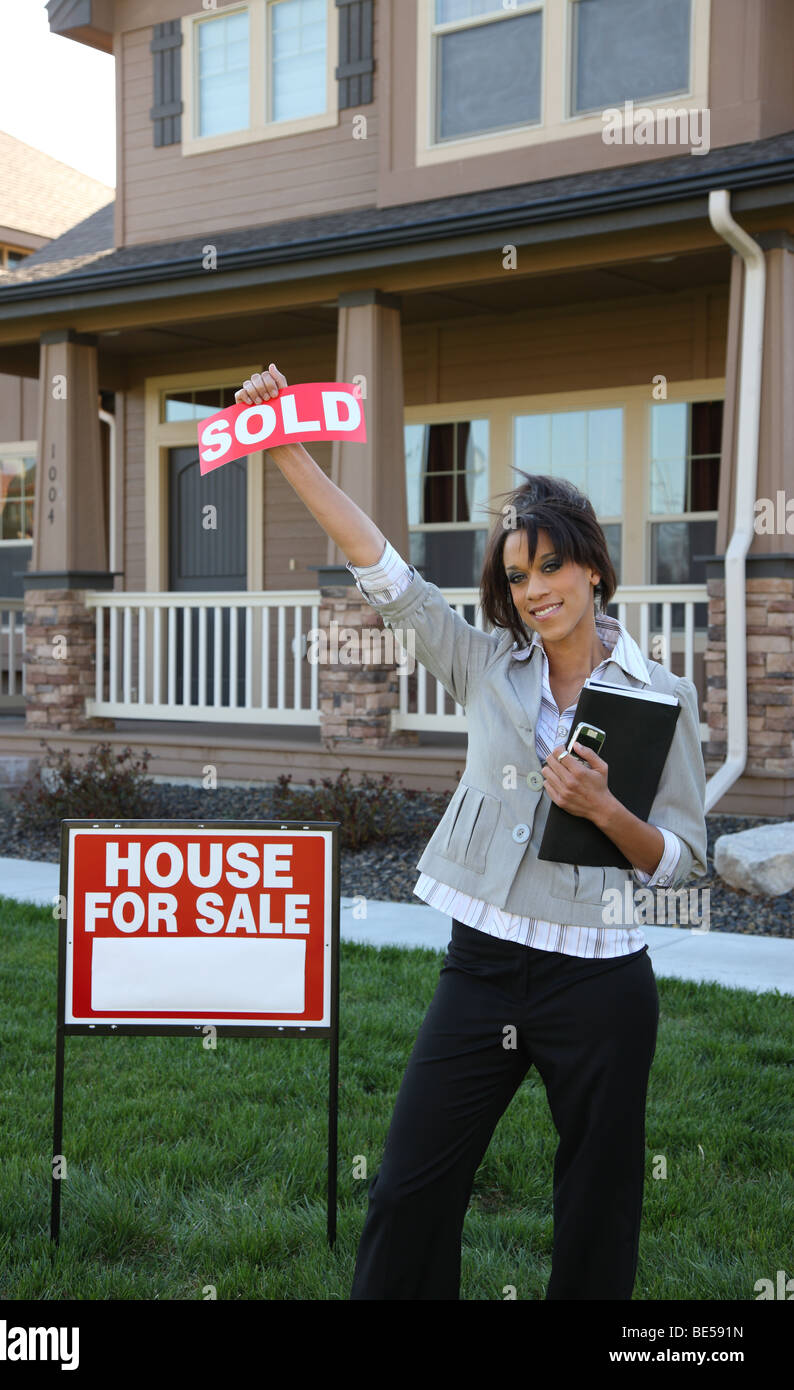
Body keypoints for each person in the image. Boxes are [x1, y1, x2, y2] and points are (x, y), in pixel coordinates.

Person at [234, 363, 708, 1301]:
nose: (534, 590)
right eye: (518, 575)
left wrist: (606, 811)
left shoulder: (664, 697)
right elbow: (386, 573)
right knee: (410, 1187)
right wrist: (285, 450)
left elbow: (683, 860)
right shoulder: (485, 666)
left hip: (603, 979)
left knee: (600, 1203)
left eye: (551, 566)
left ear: (594, 567)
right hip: (484, 962)